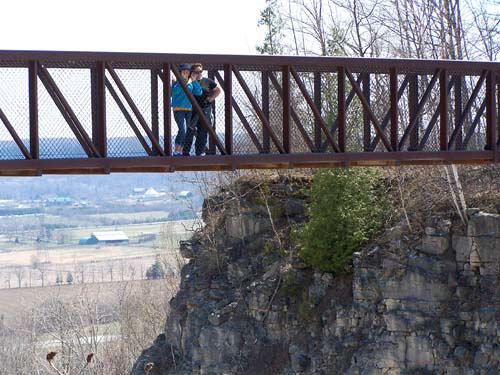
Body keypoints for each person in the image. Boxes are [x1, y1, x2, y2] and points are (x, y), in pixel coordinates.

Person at [182, 63, 221, 156]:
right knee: (189, 130)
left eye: (201, 71)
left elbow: (217, 90)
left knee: (203, 131)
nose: (199, 73)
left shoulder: (207, 81)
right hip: (192, 110)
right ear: (192, 72)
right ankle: (185, 152)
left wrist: (211, 98)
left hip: (205, 109)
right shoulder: (189, 82)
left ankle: (199, 152)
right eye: (197, 72)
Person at [171, 63, 202, 156]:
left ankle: (181, 150)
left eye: (187, 72)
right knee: (182, 129)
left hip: (188, 109)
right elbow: (175, 91)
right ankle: (177, 150)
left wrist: (194, 81)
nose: (185, 73)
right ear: (180, 73)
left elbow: (199, 92)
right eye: (183, 71)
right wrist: (182, 81)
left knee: (187, 130)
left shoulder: (191, 82)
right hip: (178, 109)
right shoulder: (177, 82)